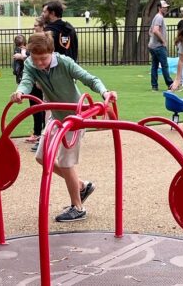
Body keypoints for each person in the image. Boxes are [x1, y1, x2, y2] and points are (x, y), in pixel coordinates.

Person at [10, 32, 117, 222]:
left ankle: (78, 207)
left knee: (66, 163)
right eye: (36, 59)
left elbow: (90, 79)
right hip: (56, 117)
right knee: (42, 158)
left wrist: (105, 92)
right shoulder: (30, 64)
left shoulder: (64, 62)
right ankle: (82, 186)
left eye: (43, 59)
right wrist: (20, 92)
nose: (40, 63)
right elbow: (26, 81)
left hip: (75, 117)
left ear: (51, 52)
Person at [148, 0, 173, 91]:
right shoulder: (159, 17)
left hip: (152, 46)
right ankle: (170, 84)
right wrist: (163, 41)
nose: (166, 8)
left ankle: (154, 86)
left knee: (154, 66)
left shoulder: (156, 17)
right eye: (164, 7)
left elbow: (150, 31)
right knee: (164, 66)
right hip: (158, 47)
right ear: (159, 8)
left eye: (167, 7)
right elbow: (155, 30)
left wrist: (152, 40)